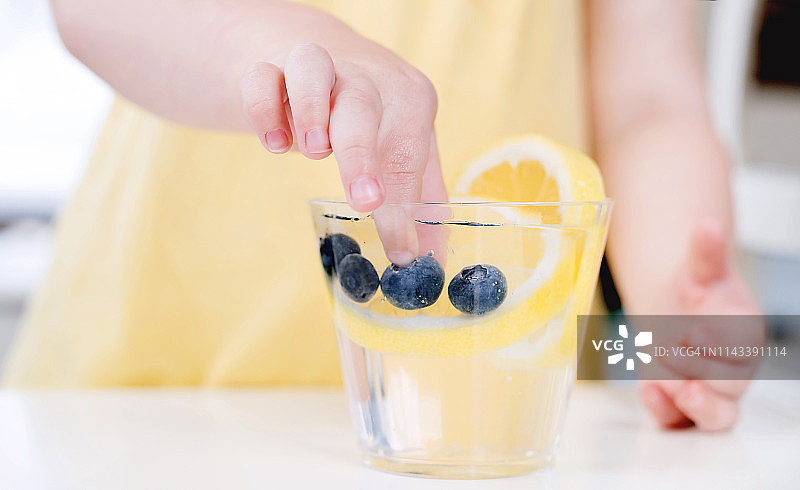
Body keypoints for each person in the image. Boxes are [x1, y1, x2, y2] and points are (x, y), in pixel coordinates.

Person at [2, 0, 761, 432]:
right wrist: (311, 50)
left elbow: (647, 101)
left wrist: (678, 303)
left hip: (501, 418)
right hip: (150, 399)